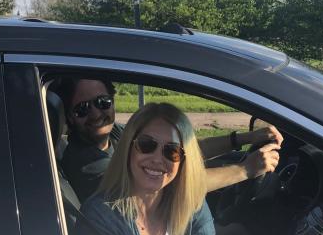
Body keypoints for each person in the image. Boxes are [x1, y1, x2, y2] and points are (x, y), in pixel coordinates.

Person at [56, 77, 282, 202]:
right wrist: (245, 170)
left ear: (113, 100)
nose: (96, 114)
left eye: (103, 102)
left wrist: (242, 138)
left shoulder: (116, 133)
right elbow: (173, 185)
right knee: (242, 231)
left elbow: (182, 150)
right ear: (69, 117)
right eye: (82, 109)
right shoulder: (85, 162)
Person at [80, 102, 228, 235]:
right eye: (146, 145)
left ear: (184, 161)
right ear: (128, 149)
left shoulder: (192, 205)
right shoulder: (99, 215)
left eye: (172, 151)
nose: (157, 159)